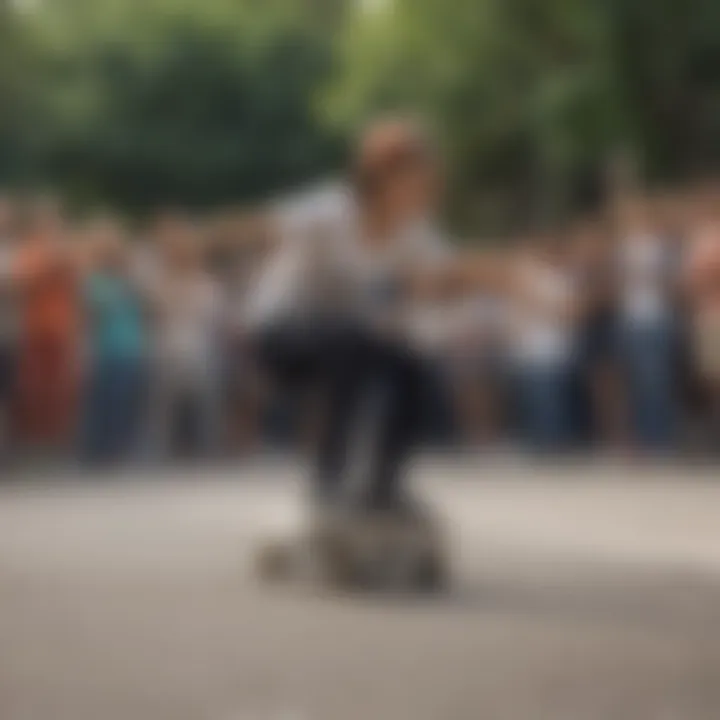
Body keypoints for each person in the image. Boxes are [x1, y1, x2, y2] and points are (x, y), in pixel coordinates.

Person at [246, 118, 469, 513]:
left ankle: (384, 485)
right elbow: (258, 226)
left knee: (411, 366)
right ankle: (329, 481)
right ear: (383, 178)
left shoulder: (417, 233)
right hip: (279, 333)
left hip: (352, 340)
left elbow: (447, 279)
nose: (425, 192)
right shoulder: (330, 209)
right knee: (350, 343)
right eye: (416, 180)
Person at [144, 219, 224, 460]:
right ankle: (166, 449)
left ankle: (203, 448)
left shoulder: (205, 284)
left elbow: (214, 315)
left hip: (196, 347)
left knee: (202, 402)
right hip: (171, 347)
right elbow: (154, 313)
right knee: (167, 403)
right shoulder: (163, 283)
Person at [13, 200, 81, 453]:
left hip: (62, 328)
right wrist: (48, 262)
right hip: (36, 329)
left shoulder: (68, 250)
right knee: (33, 388)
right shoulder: (30, 250)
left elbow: (79, 281)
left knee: (62, 389)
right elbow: (23, 281)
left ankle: (58, 442)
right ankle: (33, 442)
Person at [615, 197, 679, 452]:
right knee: (637, 382)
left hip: (656, 319)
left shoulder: (661, 247)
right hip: (631, 320)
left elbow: (671, 280)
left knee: (657, 380)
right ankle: (644, 437)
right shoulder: (623, 249)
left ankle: (661, 438)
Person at [81, 220, 147, 463]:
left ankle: (118, 448)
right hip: (103, 348)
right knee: (101, 399)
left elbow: (147, 305)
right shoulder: (93, 279)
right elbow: (93, 309)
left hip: (129, 346)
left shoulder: (132, 279)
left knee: (123, 398)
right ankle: (99, 448)